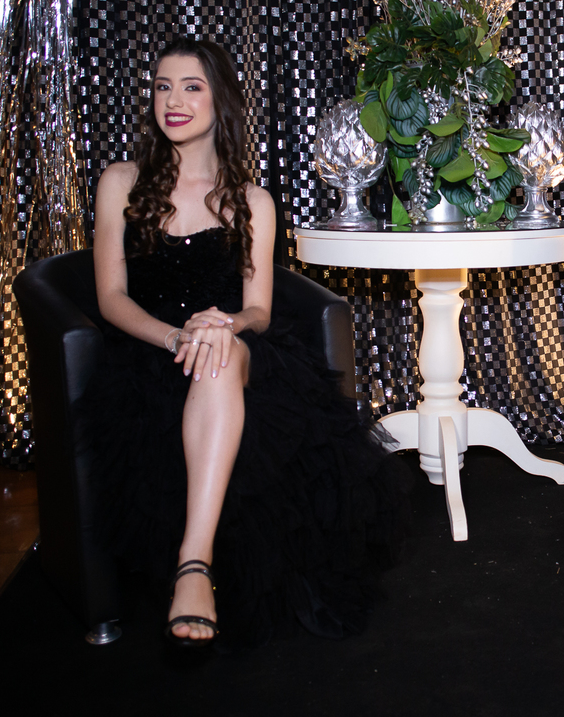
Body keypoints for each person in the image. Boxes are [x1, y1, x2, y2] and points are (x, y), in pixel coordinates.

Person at [87, 37, 410, 648]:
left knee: (219, 356)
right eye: (162, 87)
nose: (173, 100)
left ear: (220, 101)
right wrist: (176, 334)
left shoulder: (253, 200)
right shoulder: (121, 182)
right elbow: (111, 298)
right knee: (206, 355)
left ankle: (193, 565)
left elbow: (258, 309)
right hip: (151, 351)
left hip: (235, 349)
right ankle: (196, 569)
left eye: (191, 87)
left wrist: (223, 326)